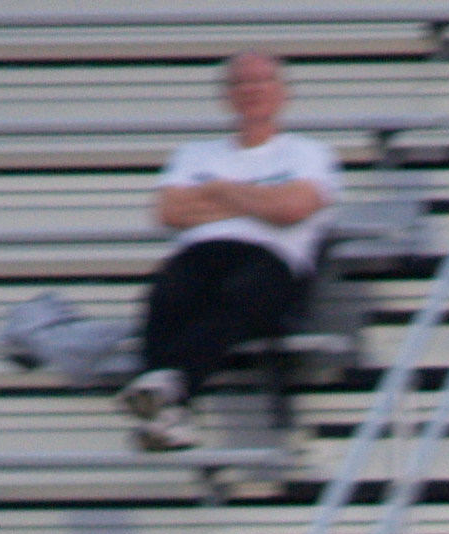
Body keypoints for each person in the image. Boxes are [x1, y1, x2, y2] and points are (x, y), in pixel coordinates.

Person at [113, 52, 340, 454]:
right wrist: (260, 199)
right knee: (169, 289)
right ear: (226, 95)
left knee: (240, 295)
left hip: (274, 260)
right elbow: (170, 211)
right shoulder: (194, 154)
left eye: (261, 81)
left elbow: (293, 209)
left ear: (282, 92)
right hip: (202, 256)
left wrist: (218, 191)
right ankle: (170, 408)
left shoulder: (308, 153)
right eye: (241, 83)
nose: (251, 91)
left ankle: (167, 389)